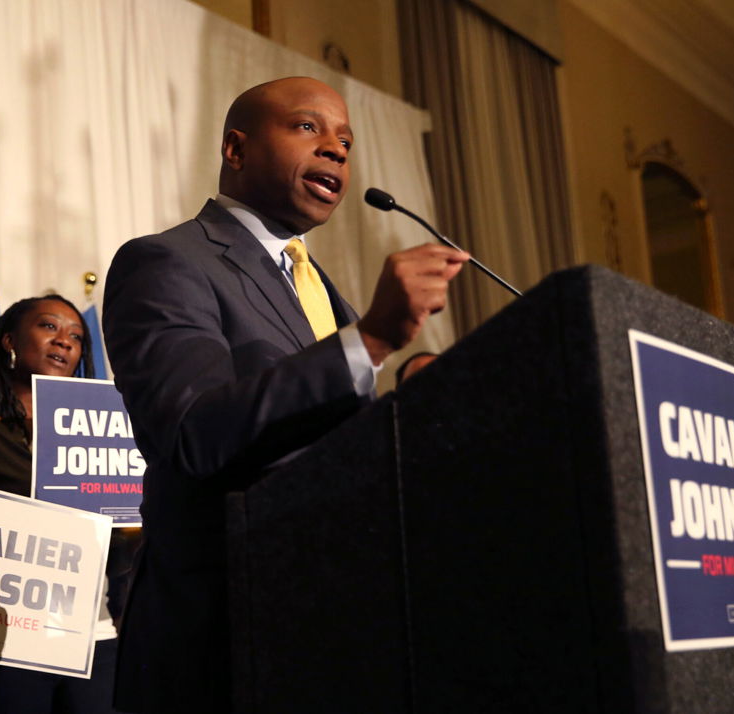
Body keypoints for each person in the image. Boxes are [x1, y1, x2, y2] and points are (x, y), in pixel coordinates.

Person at [102, 76, 469, 712]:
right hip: (224, 646)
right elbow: (191, 430)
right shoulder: (166, 262)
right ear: (235, 150)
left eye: (347, 142)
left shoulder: (329, 296)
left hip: (336, 636)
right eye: (308, 128)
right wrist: (373, 338)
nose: (336, 150)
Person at [0, 295, 126, 713]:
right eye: (49, 327)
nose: (65, 341)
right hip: (10, 642)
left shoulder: (103, 435)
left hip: (95, 637)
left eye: (76, 335)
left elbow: (121, 541)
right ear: (9, 342)